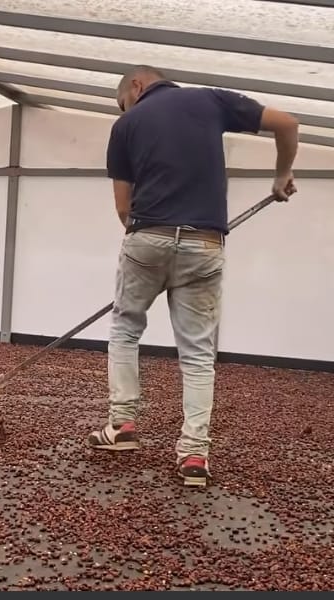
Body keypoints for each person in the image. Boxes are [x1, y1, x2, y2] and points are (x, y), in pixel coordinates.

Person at [87, 65, 299, 487]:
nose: (125, 109)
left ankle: (122, 425)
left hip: (148, 236)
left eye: (123, 101)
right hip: (205, 242)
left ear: (136, 85)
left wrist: (148, 248)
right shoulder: (211, 99)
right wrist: (281, 176)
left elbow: (124, 209)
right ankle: (194, 456)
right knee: (199, 352)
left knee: (126, 329)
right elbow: (287, 124)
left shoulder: (126, 125)